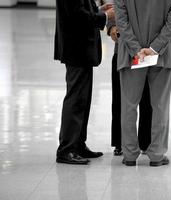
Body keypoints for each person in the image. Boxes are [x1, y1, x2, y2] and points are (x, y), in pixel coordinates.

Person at [115, 0, 171, 167]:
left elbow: (121, 20)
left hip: (132, 56)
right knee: (160, 106)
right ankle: (157, 154)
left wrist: (137, 50)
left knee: (129, 106)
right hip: (163, 55)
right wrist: (154, 48)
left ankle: (129, 154)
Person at [54, 0, 114, 165]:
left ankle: (78, 143)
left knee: (83, 99)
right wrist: (104, 16)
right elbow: (77, 16)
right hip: (76, 47)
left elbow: (81, 8)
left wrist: (98, 9)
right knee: (76, 99)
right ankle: (67, 149)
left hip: (81, 48)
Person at [106, 11, 152, 156]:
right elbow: (113, 8)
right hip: (122, 51)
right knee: (120, 98)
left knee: (147, 98)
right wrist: (111, 27)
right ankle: (121, 142)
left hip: (146, 49)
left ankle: (146, 141)